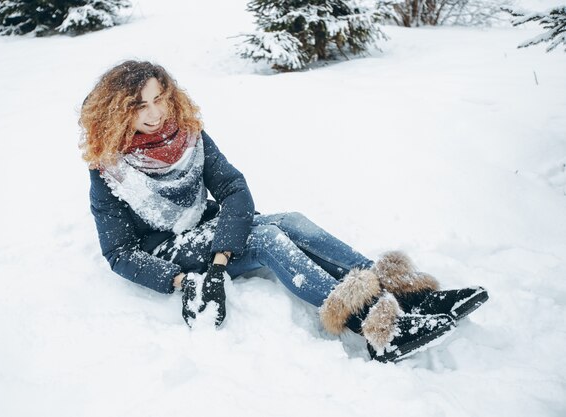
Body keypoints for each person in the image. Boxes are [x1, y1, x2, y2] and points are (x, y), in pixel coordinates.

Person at [79, 60, 488, 363]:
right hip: (170, 251)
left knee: (289, 221)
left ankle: (404, 293)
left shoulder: (188, 136)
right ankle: (376, 328)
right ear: (118, 110)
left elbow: (233, 188)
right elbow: (120, 254)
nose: (155, 113)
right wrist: (183, 279)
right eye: (139, 105)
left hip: (205, 233)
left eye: (159, 99)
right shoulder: (109, 169)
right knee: (265, 237)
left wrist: (221, 257)